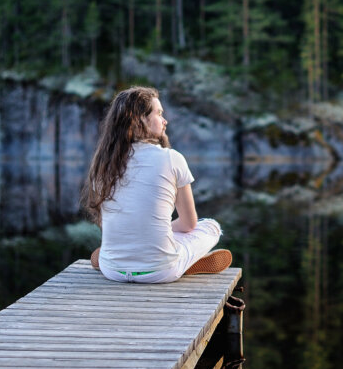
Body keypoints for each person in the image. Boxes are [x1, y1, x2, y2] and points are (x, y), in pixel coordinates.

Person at [80, 86, 231, 283]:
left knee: (144, 234)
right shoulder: (172, 158)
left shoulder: (102, 164)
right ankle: (185, 262)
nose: (164, 120)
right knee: (211, 227)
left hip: (112, 270)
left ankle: (114, 255)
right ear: (140, 119)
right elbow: (188, 224)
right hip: (161, 271)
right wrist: (157, 228)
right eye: (159, 113)